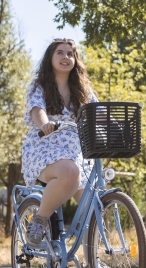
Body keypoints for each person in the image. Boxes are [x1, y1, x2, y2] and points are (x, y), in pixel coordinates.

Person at [21, 38, 98, 246]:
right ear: (50, 58)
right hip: (45, 145)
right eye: (60, 53)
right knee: (70, 172)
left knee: (92, 207)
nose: (66, 57)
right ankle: (40, 219)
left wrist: (115, 126)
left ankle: (94, 265)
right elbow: (37, 110)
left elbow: (97, 113)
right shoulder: (40, 86)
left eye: (70, 54)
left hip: (76, 151)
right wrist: (44, 124)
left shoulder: (83, 89)